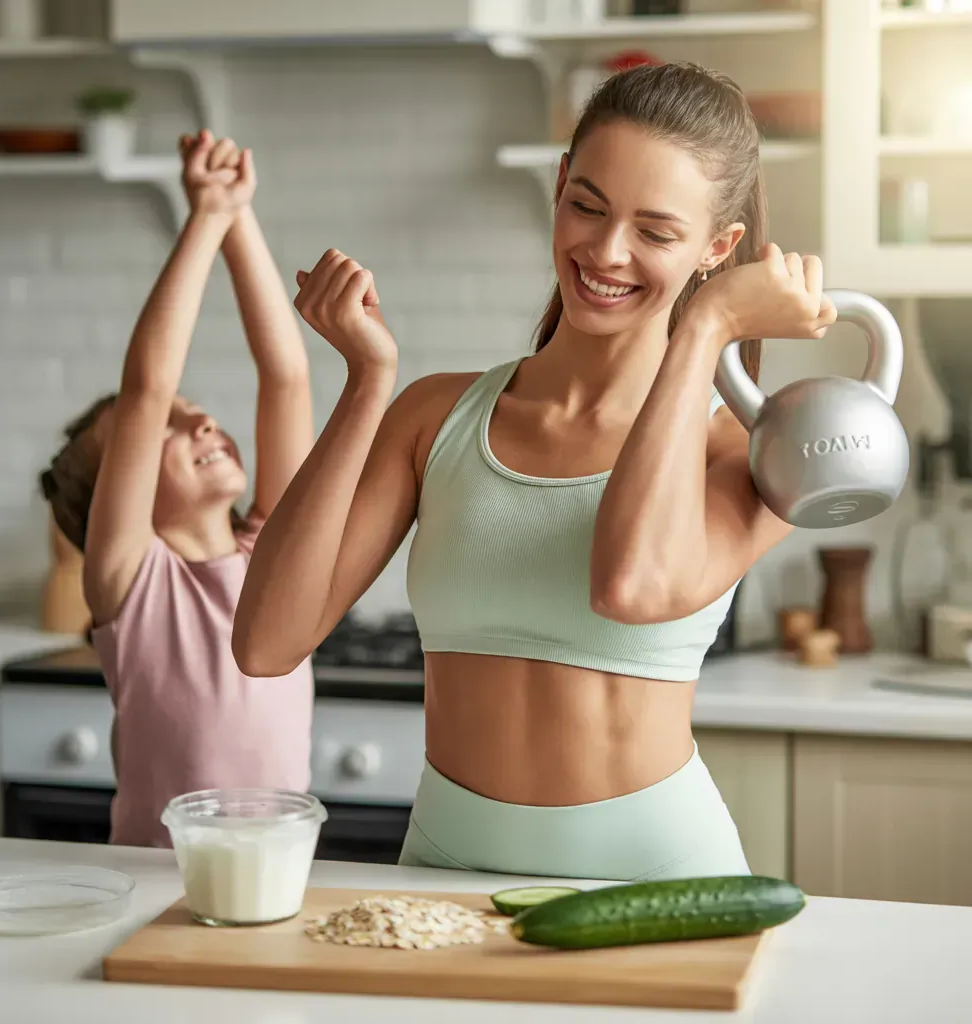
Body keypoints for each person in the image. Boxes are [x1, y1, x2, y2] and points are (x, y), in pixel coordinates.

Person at [233, 62, 836, 880]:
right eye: (587, 205)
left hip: (655, 877)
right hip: (444, 865)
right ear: (559, 185)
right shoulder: (436, 418)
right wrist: (367, 383)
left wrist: (709, 327)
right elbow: (266, 643)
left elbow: (631, 586)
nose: (606, 251)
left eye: (656, 232)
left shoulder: (752, 449)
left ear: (716, 248)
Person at [39, 130, 315, 848]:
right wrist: (202, 220)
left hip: (276, 877)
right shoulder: (132, 585)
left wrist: (238, 213)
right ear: (117, 494)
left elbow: (285, 378)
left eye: (196, 411)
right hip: (153, 882)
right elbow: (146, 386)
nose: (201, 420)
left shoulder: (273, 560)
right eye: (171, 424)